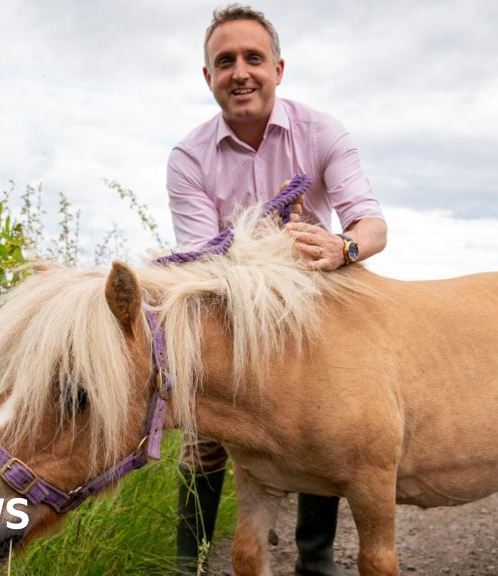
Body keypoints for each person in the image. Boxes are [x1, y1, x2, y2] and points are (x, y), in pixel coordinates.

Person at [166, 4, 387, 575]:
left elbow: (370, 223)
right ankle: (187, 563)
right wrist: (267, 252)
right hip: (232, 303)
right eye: (225, 61)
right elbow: (201, 262)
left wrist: (345, 248)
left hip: (318, 298)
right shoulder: (189, 157)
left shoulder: (321, 132)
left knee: (328, 417)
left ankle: (315, 559)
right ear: (208, 77)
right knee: (203, 429)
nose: (240, 72)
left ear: (278, 69)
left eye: (253, 58)